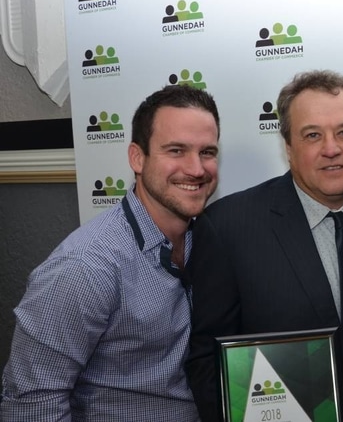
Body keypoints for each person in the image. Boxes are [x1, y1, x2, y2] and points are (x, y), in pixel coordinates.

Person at [185, 70, 343, 421]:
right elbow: (207, 359)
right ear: (289, 147)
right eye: (312, 135)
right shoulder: (228, 226)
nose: (331, 149)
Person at [1, 85, 221, 421]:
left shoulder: (206, 241)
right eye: (176, 150)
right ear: (137, 158)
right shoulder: (85, 267)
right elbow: (32, 404)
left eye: (207, 152)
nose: (196, 168)